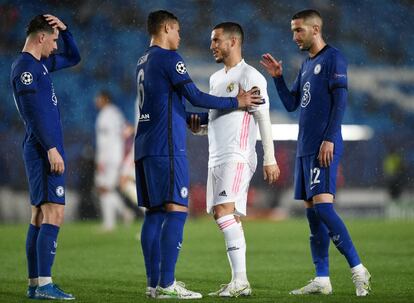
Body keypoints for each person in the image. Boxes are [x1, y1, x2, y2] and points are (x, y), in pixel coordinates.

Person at [135, 10, 263, 299]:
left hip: (144, 146)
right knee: (177, 212)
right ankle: (167, 284)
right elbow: (195, 95)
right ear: (167, 28)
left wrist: (198, 121)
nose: (180, 37)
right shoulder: (169, 59)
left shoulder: (143, 61)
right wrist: (237, 101)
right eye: (178, 31)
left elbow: (172, 105)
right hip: (166, 147)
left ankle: (153, 285)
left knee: (153, 215)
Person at [260, 9, 371, 296]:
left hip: (324, 145)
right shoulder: (306, 64)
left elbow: (340, 101)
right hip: (305, 148)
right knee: (312, 215)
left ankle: (359, 270)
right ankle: (322, 278)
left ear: (315, 29)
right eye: (293, 30)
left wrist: (330, 138)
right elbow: (291, 103)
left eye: (299, 30)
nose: (294, 36)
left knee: (323, 208)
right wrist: (277, 78)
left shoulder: (334, 58)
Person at [189, 22, 280, 297]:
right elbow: (222, 116)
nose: (212, 45)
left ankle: (241, 281)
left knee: (223, 212)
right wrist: (201, 128)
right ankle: (238, 281)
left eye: (216, 40)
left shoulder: (251, 75)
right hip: (215, 155)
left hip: (238, 155)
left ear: (233, 42)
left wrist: (270, 158)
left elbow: (262, 116)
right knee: (225, 215)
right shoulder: (216, 78)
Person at [10, 14, 80, 300]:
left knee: (39, 215)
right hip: (43, 148)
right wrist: (51, 147)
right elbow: (32, 113)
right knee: (54, 212)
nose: (56, 45)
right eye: (53, 39)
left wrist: (66, 30)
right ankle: (45, 285)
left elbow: (73, 57)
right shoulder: (26, 67)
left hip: (42, 146)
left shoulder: (39, 65)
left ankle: (35, 283)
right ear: (41, 38)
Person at [94, 90, 134, 231]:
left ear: (105, 99)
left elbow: (105, 140)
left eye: (98, 98)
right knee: (104, 188)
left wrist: (101, 159)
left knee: (105, 188)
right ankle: (124, 213)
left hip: (109, 156)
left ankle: (110, 223)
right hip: (114, 155)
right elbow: (126, 130)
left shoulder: (106, 115)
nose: (96, 100)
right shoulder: (116, 113)